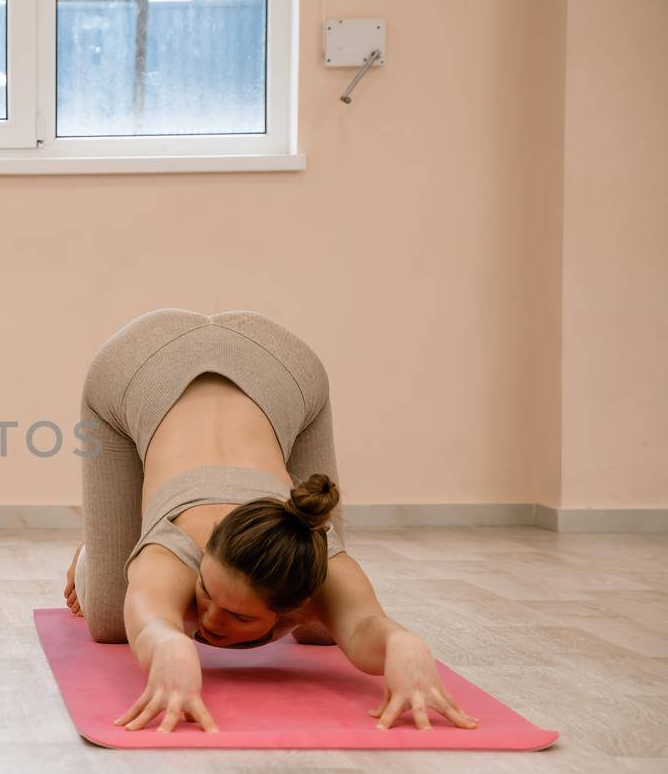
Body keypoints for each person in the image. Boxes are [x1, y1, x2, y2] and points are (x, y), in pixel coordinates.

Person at [62, 309, 478, 734]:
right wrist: (168, 644)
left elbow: (365, 625)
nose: (209, 623)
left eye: (239, 617)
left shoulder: (320, 561)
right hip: (138, 365)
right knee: (113, 620)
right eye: (204, 590)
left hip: (278, 367)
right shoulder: (170, 551)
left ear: (297, 603)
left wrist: (401, 644)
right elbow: (148, 614)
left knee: (324, 632)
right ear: (205, 554)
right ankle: (93, 554)